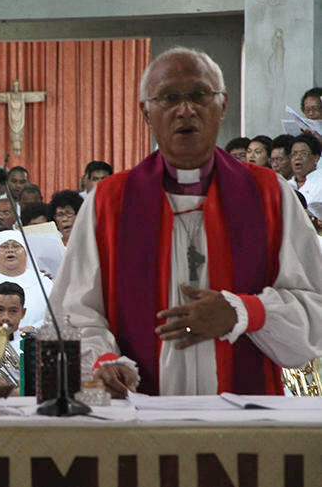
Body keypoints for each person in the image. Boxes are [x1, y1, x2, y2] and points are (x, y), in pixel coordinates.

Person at [50, 46, 322, 398]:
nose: (186, 110)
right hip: (140, 418)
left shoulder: (268, 193)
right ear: (146, 112)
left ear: (222, 105)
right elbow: (72, 313)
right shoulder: (110, 201)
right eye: (169, 98)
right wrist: (104, 361)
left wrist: (244, 312)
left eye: (199, 95)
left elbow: (315, 305)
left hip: (245, 423)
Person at [0, 230, 53, 329]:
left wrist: (35, 329)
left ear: (26, 253)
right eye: (4, 246)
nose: (10, 250)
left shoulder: (45, 284)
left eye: (16, 246)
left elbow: (55, 315)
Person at [287, 134, 322, 204]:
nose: (297, 157)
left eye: (304, 153)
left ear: (316, 158)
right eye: (294, 154)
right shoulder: (286, 185)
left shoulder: (320, 181)